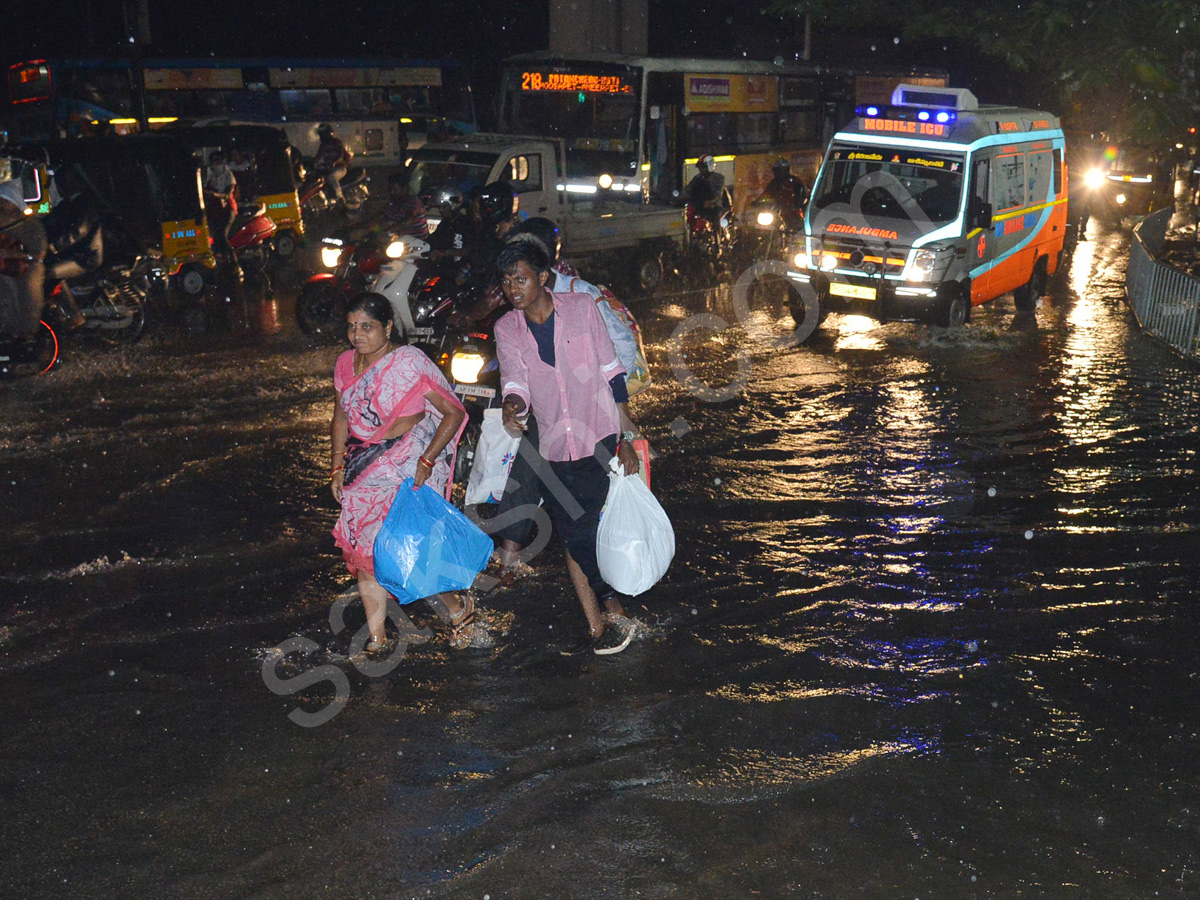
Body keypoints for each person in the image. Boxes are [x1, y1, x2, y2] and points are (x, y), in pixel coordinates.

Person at [494, 239, 642, 655]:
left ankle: (609, 611)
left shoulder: (581, 309)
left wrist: (625, 437)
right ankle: (603, 618)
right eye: (506, 282)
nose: (513, 289)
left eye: (520, 279)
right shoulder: (507, 328)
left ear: (543, 278)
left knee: (590, 529)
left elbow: (612, 368)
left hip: (598, 435)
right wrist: (513, 405)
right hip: (554, 443)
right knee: (572, 530)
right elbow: (516, 380)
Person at [330, 293, 476, 651]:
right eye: (351, 327)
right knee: (364, 550)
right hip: (364, 467)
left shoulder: (408, 361)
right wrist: (336, 464)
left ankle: (458, 607)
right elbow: (341, 416)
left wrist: (426, 462)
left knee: (407, 551)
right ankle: (377, 636)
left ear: (388, 328)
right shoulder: (346, 364)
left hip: (408, 465)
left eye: (367, 327)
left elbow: (453, 413)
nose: (357, 335)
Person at [0, 170, 48, 340]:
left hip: (26, 267)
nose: (2, 204)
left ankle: (26, 336)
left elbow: (38, 253)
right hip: (5, 268)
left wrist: (11, 254)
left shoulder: (29, 225)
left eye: (6, 200)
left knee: (27, 293)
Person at [683, 154, 731, 241]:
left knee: (715, 220)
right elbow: (688, 189)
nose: (701, 170)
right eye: (700, 168)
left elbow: (717, 194)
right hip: (701, 205)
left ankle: (718, 243)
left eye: (703, 167)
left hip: (715, 206)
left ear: (710, 166)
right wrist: (679, 197)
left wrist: (710, 202)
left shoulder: (719, 178)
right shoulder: (697, 178)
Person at [203, 150, 237, 259]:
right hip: (216, 210)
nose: (216, 164)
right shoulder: (209, 173)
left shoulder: (227, 173)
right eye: (214, 162)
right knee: (215, 235)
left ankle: (234, 260)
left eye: (218, 162)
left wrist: (216, 194)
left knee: (222, 235)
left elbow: (229, 192)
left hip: (228, 208)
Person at [761, 158, 808, 230]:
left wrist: (796, 205)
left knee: (794, 225)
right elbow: (766, 194)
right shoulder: (774, 182)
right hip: (777, 209)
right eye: (776, 171)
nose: (777, 173)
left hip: (792, 210)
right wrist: (757, 202)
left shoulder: (794, 181)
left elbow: (801, 194)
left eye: (779, 170)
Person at [381, 172, 429, 238]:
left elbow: (406, 221)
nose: (391, 192)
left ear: (404, 189)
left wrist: (387, 231)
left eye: (395, 189)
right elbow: (380, 219)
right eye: (389, 189)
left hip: (419, 243)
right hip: (401, 242)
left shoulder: (414, 202)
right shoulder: (391, 204)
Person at [314, 123, 351, 204]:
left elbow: (340, 155)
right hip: (329, 168)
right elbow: (318, 155)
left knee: (331, 177)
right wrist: (313, 164)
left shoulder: (337, 142)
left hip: (340, 168)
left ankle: (340, 196)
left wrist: (334, 163)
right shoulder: (323, 145)